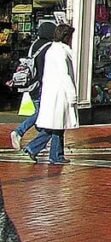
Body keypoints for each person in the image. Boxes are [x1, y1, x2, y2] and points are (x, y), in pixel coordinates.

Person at [23, 24, 77, 165]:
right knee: (57, 126)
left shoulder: (53, 50)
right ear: (66, 37)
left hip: (53, 93)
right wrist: (72, 95)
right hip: (59, 94)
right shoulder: (60, 52)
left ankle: (43, 151)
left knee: (55, 126)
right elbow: (65, 75)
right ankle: (52, 154)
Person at [10, 20, 56, 150]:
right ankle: (19, 132)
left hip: (30, 84)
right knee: (42, 113)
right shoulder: (48, 47)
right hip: (40, 85)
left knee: (40, 112)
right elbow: (44, 70)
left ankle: (39, 138)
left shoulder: (34, 45)